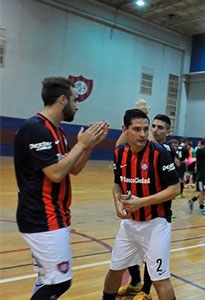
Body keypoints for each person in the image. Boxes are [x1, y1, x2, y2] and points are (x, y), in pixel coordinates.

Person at [14, 77, 109, 299]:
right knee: (59, 283)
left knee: (47, 278)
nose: (77, 105)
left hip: (54, 216)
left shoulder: (57, 131)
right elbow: (55, 173)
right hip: (42, 217)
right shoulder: (35, 130)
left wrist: (88, 147)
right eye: (75, 100)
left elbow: (72, 169)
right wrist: (82, 144)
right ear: (62, 100)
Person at [102, 109, 180, 300]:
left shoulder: (159, 153)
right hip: (129, 224)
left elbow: (175, 189)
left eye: (146, 129)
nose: (143, 134)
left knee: (160, 279)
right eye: (137, 129)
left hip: (156, 224)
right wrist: (117, 203)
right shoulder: (120, 153)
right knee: (115, 270)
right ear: (125, 130)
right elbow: (117, 184)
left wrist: (142, 202)